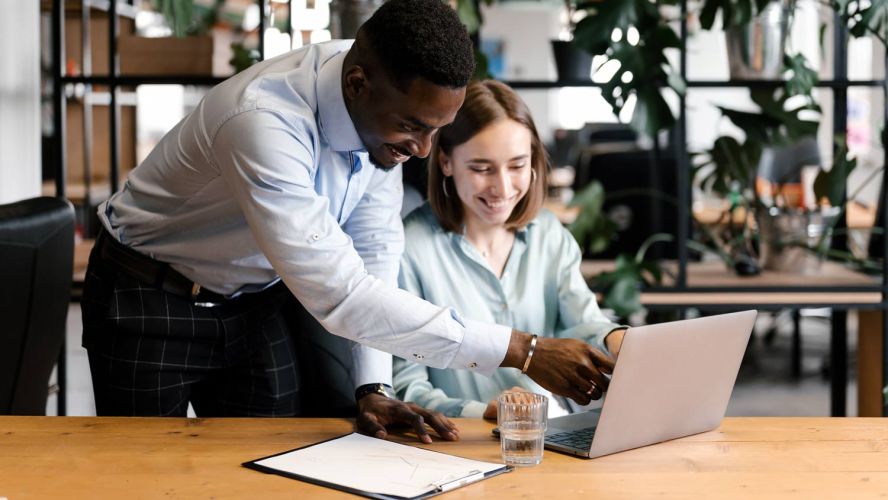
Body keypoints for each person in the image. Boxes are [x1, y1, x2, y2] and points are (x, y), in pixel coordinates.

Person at [81, 0, 613, 443]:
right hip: (150, 295)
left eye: (438, 130)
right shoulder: (263, 124)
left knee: (270, 468)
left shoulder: (379, 111)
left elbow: (373, 254)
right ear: (357, 85)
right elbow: (343, 295)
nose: (424, 150)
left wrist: (372, 390)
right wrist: (525, 350)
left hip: (253, 298)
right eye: (413, 127)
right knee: (142, 470)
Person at [394, 80, 627, 419]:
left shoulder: (547, 234)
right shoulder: (410, 248)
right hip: (457, 447)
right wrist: (483, 411)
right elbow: (406, 387)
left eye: (517, 166)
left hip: (547, 434)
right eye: (481, 168)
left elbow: (581, 322)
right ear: (445, 162)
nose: (502, 187)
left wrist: (615, 340)